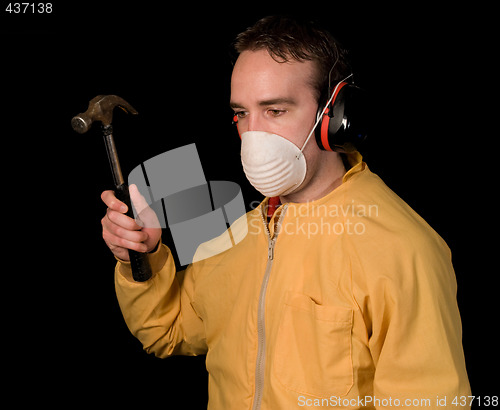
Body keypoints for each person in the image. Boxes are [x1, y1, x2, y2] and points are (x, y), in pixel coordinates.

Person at [101, 16, 470, 409]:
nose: (252, 135)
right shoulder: (237, 234)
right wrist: (142, 257)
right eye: (241, 114)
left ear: (333, 116)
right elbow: (168, 331)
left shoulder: (403, 251)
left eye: (274, 110)